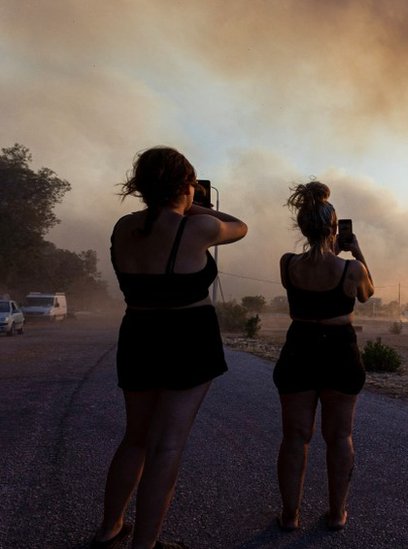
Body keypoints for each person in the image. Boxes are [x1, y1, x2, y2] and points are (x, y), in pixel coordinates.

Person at [92, 147, 247, 549]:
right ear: (186, 185)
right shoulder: (198, 229)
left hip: (139, 334)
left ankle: (110, 529)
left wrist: (182, 202)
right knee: (168, 445)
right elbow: (240, 226)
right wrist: (195, 207)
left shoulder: (123, 227)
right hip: (188, 338)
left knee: (136, 438)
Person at [274, 181, 374, 532]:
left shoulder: (288, 265)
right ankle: (336, 514)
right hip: (339, 350)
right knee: (340, 436)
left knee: (295, 437)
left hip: (298, 348)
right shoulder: (350, 270)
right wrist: (356, 250)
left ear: (301, 226)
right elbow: (367, 293)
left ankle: (290, 516)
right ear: (335, 229)